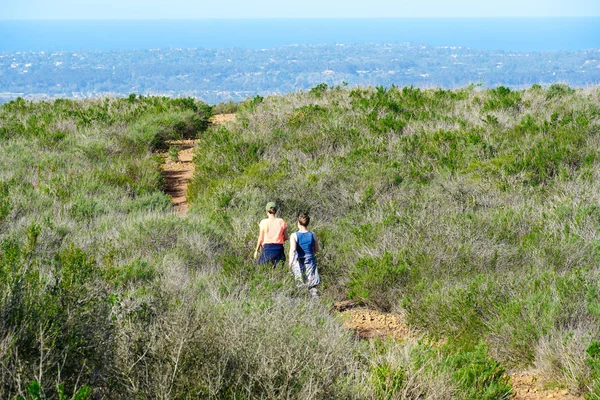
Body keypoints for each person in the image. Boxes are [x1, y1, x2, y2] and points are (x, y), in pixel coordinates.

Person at [288, 213, 320, 298]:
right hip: (310, 261)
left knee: (300, 285)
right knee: (312, 286)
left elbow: (293, 250)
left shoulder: (294, 235)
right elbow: (316, 249)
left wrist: (290, 263)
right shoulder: (313, 234)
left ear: (298, 222)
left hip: (298, 262)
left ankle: (302, 303)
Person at [254, 202, 288, 266]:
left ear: (266, 211)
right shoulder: (281, 221)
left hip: (267, 248)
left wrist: (256, 250)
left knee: (260, 268)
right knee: (278, 268)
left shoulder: (263, 222)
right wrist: (278, 239)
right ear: (276, 211)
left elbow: (260, 238)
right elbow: (286, 237)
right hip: (279, 249)